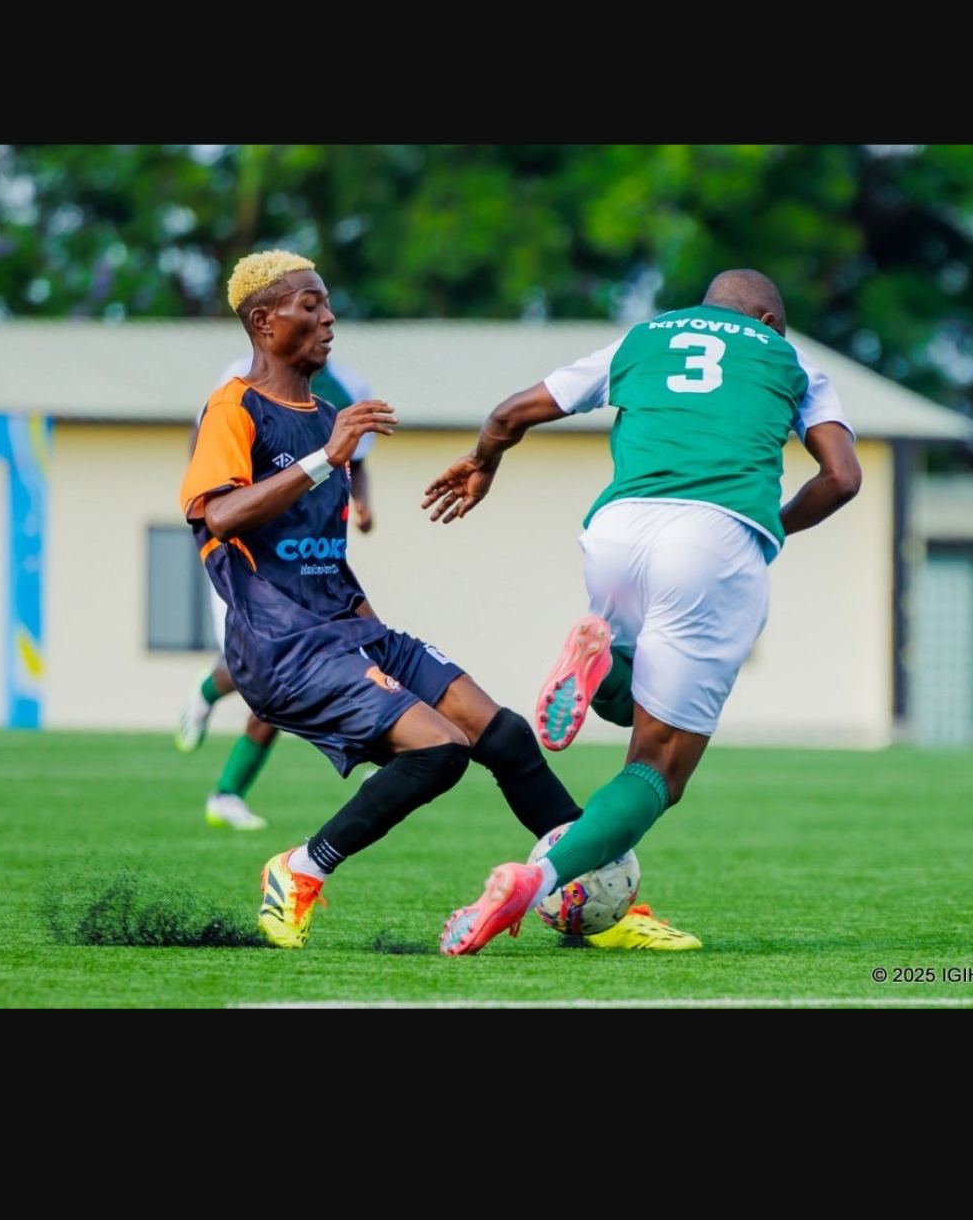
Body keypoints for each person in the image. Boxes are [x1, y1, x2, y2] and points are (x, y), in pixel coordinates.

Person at [180, 249, 682, 953]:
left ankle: (593, 898)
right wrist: (327, 458)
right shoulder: (234, 408)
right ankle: (299, 870)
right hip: (282, 650)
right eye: (310, 306)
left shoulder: (328, 416)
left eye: (328, 304)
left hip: (350, 630)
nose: (328, 319)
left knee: (504, 736)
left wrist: (371, 628)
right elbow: (220, 516)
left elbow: (320, 554)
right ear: (263, 322)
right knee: (441, 751)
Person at [422, 267, 862, 956]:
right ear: (770, 323)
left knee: (632, 706)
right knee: (659, 768)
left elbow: (510, 414)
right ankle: (534, 882)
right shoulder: (792, 360)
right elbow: (842, 477)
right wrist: (765, 528)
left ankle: (601, 664)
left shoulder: (644, 338)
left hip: (616, 533)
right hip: (714, 539)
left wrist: (484, 460)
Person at [174, 349, 377, 832]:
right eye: (309, 313)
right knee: (274, 672)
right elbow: (205, 444)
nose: (322, 322)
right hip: (250, 553)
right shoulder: (240, 381)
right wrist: (211, 500)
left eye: (324, 313)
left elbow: (355, 460)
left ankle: (227, 793)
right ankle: (211, 692)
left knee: (290, 674)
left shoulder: (349, 389)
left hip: (305, 553)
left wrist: (363, 504)